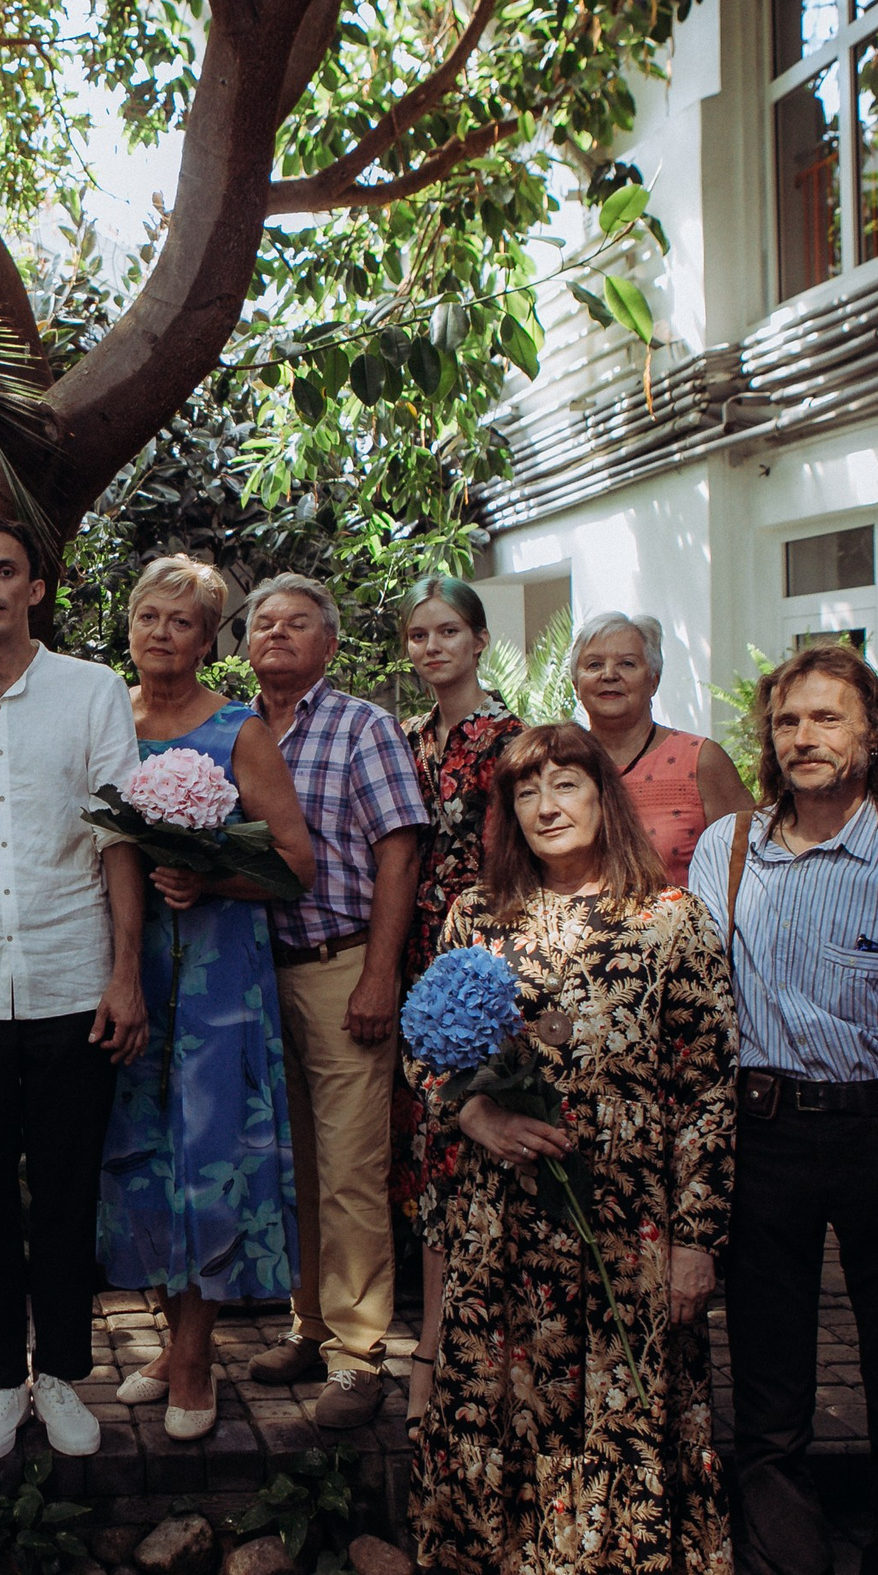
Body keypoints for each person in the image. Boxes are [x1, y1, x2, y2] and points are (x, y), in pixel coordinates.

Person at [687, 645, 878, 1575]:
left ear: (874, 733)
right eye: (787, 721)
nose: (803, 737)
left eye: (827, 718)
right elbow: (691, 1006)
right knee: (768, 1401)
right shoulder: (728, 848)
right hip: (763, 1138)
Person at [410, 721, 735, 1575]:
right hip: (501, 1223)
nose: (546, 806)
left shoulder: (671, 920)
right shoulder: (476, 916)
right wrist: (474, 1115)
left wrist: (697, 1239)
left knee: (617, 1412)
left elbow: (706, 1088)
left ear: (604, 797)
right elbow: (426, 1055)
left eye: (566, 786)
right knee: (503, 1406)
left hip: (626, 1226)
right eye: (526, 791)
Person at [0, 517, 146, 1464]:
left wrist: (125, 971)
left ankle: (62, 1377)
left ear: (37, 586)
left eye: (7, 571)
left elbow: (118, 833)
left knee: (66, 1183)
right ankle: (1, 1377)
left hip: (69, 974)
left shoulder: (91, 693)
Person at [99, 556, 315, 1443]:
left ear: (206, 638)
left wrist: (213, 876)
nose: (160, 632)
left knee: (208, 1153)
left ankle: (195, 1358)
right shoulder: (105, 719)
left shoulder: (239, 731)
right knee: (142, 1154)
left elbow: (297, 865)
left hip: (217, 978)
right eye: (148, 615)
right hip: (123, 966)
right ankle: (163, 1338)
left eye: (181, 621)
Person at [243, 573, 428, 1431]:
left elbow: (399, 852)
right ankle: (309, 1326)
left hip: (339, 963)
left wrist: (379, 973)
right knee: (295, 1166)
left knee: (352, 1170)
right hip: (254, 967)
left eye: (297, 623)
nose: (277, 633)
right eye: (263, 622)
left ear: (330, 644)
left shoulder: (364, 725)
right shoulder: (236, 729)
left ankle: (360, 1357)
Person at [395, 575, 522, 1419]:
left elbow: (519, 853)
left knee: (475, 1146)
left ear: (478, 640)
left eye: (448, 631)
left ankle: (455, 1349)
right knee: (428, 1149)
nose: (433, 647)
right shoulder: (406, 737)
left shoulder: (509, 737)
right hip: (410, 950)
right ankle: (437, 1335)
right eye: (418, 635)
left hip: (480, 953)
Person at [571, 612, 749, 887]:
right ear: (576, 685)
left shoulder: (701, 760)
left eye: (627, 664)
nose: (609, 675)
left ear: (653, 681)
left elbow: (746, 867)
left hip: (680, 927)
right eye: (594, 665)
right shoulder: (559, 764)